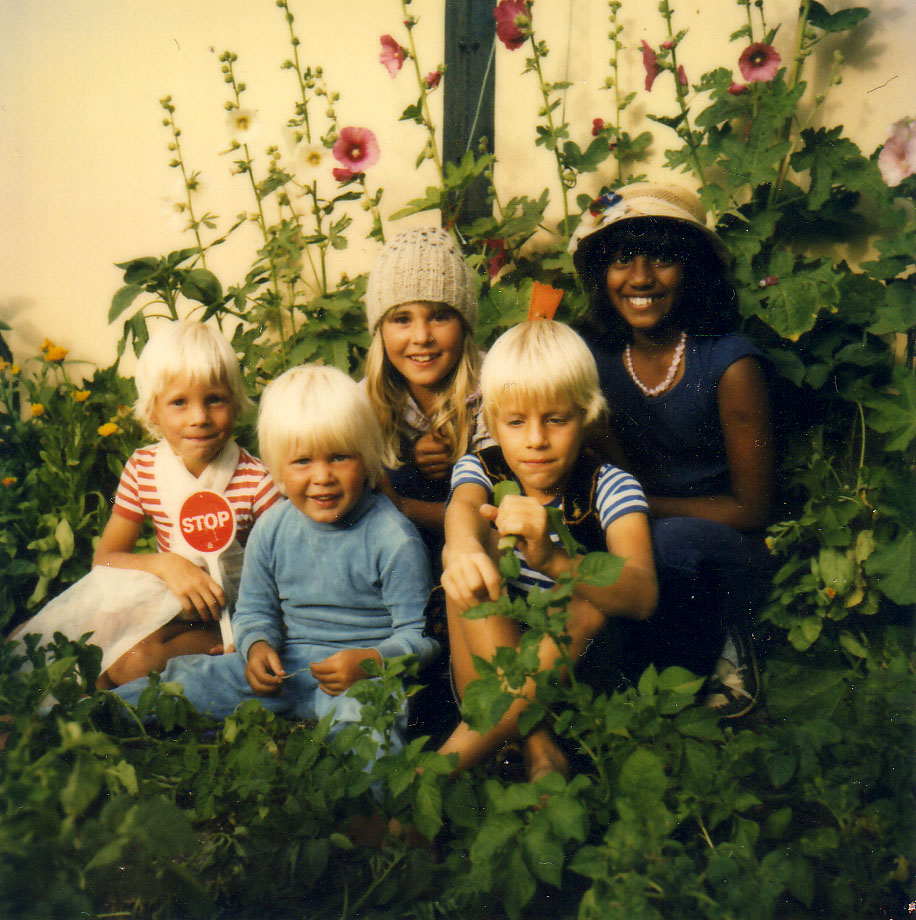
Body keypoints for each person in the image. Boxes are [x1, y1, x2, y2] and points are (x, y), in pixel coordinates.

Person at [112, 365, 439, 756]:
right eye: (302, 462)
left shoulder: (392, 537)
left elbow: (422, 637)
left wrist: (371, 661)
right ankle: (88, 717)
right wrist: (257, 646)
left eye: (339, 458)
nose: (322, 477)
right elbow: (254, 610)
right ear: (277, 467)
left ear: (367, 459)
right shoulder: (273, 528)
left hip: (358, 676)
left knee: (364, 731)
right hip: (286, 666)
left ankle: (375, 809)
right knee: (192, 678)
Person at [568, 181, 775, 717]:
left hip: (719, 542)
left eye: (661, 258)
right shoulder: (599, 358)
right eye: (619, 260)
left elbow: (752, 509)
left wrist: (634, 510)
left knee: (669, 541)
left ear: (693, 270)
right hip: (631, 531)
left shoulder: (729, 364)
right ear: (601, 275)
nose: (639, 277)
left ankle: (712, 653)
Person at [436, 320, 658, 780]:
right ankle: (538, 745)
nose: (535, 439)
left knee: (589, 605)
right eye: (516, 422)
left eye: (556, 419)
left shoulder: (609, 486)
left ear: (586, 416)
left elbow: (642, 595)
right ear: (493, 421)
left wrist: (556, 561)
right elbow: (461, 511)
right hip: (491, 659)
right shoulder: (483, 469)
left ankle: (441, 769)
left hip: (580, 677)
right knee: (472, 556)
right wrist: (461, 551)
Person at [10, 320, 280, 687]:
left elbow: (282, 577)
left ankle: (95, 710)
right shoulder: (144, 470)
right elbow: (106, 560)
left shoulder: (256, 481)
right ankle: (33, 709)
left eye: (214, 399)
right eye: (179, 403)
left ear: (234, 402)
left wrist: (247, 636)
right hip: (167, 606)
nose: (199, 417)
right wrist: (166, 565)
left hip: (230, 621)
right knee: (46, 637)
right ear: (154, 412)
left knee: (131, 663)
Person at [363, 225, 493, 566]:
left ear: (464, 323)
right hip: (394, 557)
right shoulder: (363, 400)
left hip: (478, 550)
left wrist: (402, 505)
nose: (421, 336)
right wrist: (407, 455)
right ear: (380, 331)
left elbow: (496, 513)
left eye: (439, 317)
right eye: (402, 319)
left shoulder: (495, 386)